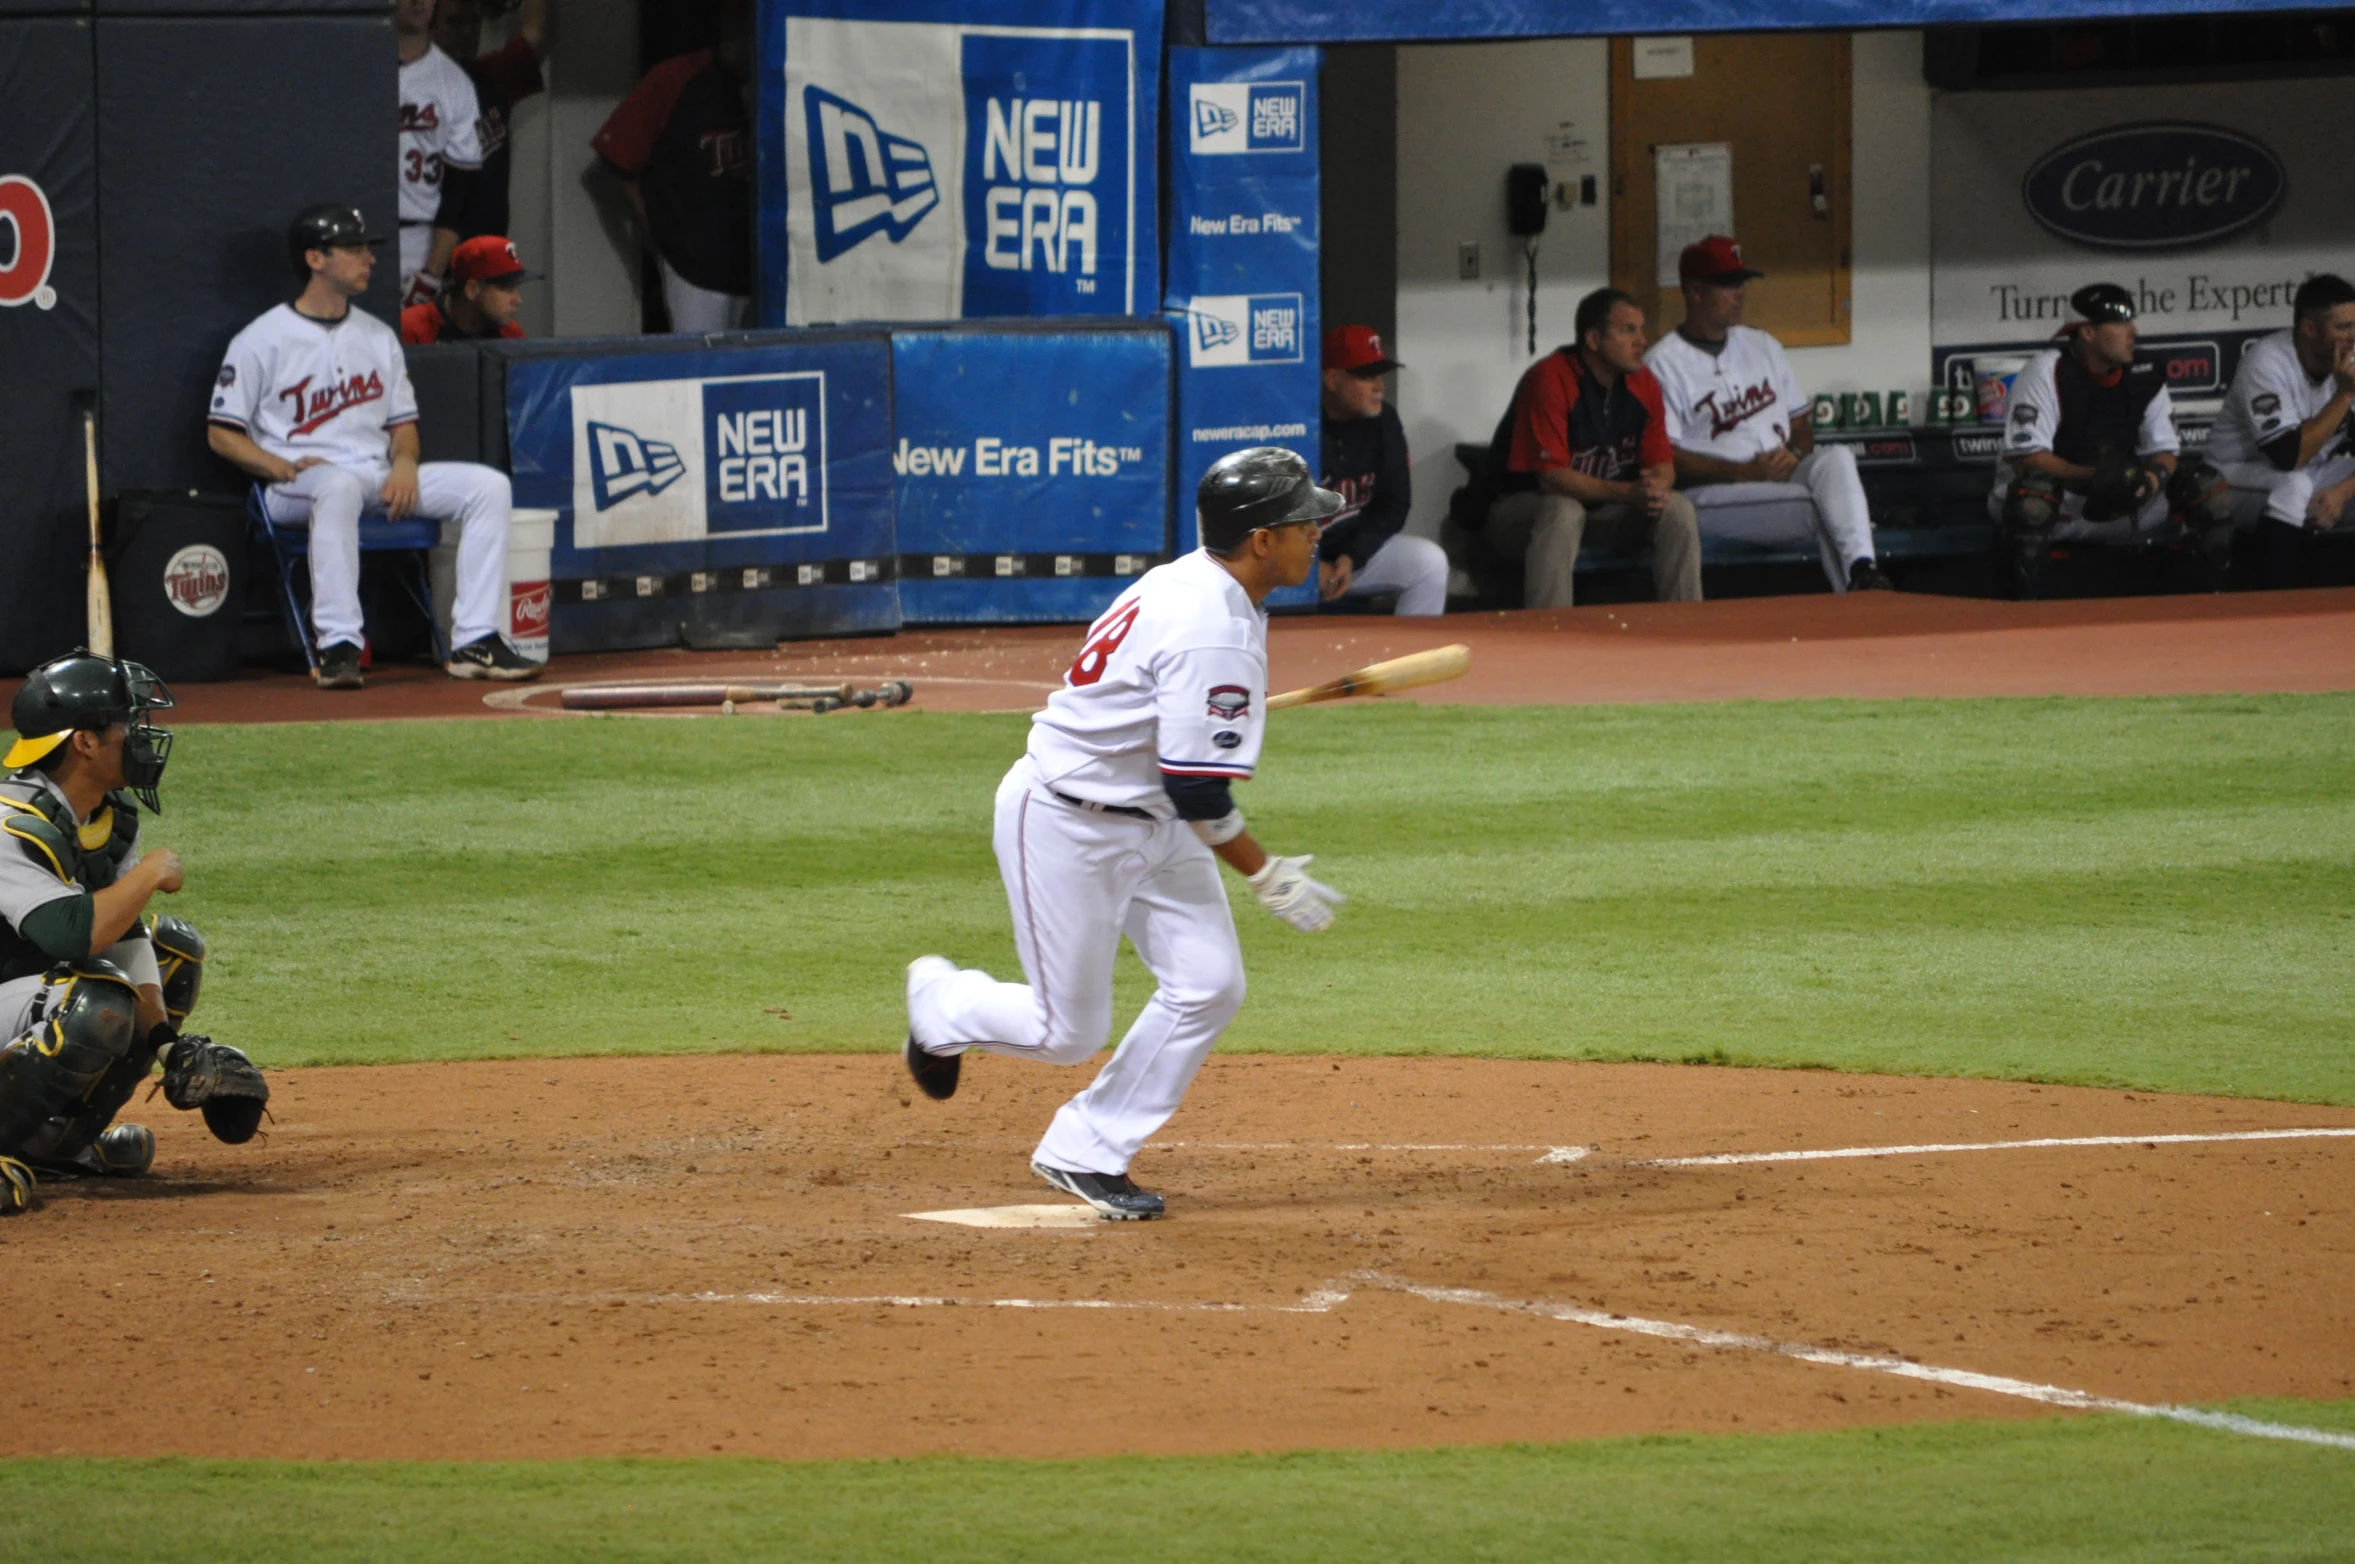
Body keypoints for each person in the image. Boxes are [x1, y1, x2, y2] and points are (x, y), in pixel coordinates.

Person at [902, 447, 1347, 1221]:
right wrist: (1264, 873)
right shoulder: (1211, 629)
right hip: (1071, 822)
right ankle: (941, 1005)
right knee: (1065, 1031)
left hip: (1150, 817)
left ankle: (1084, 1148)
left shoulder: (1195, 581)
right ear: (1260, 540)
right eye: (1303, 521)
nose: (1318, 531)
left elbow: (1178, 759)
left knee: (1208, 982)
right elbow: (1199, 792)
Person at [207, 205, 541, 689]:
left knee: (487, 486)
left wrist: (405, 464)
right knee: (338, 486)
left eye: (367, 249)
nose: (369, 258)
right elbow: (221, 433)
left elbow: (402, 425)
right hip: (296, 484)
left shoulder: (377, 335)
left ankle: (475, 640)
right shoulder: (261, 339)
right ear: (315, 259)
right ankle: (339, 644)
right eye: (354, 249)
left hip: (374, 474)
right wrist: (276, 464)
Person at [0, 652, 269, 1215]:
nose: (143, 736)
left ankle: (55, 1145)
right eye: (127, 724)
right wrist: (149, 873)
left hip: (15, 1000)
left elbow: (124, 940)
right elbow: (74, 935)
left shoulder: (105, 815)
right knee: (96, 1000)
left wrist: (167, 1048)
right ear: (85, 743)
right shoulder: (10, 824)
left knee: (173, 953)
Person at [1643, 237, 1892, 593]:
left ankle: (1863, 571)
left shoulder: (1762, 345)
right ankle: (1862, 598)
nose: (1740, 293)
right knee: (1824, 511)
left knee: (1837, 457)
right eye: (1728, 284)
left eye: (1742, 282)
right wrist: (1743, 471)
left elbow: (1800, 425)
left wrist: (1796, 454)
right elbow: (1667, 456)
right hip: (1714, 494)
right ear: (1695, 291)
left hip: (1781, 476)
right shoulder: (1662, 364)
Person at [1988, 283, 2232, 589]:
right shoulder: (2048, 370)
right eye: (2120, 323)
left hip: (2121, 500)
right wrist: (2097, 477)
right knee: (2034, 498)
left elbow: (2166, 451)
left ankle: (2208, 609)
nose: (2133, 332)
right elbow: (2028, 459)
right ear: (2087, 332)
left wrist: (2147, 482)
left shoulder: (2145, 372)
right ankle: (2027, 614)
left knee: (2209, 490)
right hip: (2060, 502)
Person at [1482, 287, 1702, 608]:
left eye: (1641, 329)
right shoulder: (1550, 378)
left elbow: (1661, 463)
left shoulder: (1644, 383)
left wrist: (1656, 487)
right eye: (1628, 330)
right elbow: (1552, 479)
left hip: (1604, 513)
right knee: (1563, 510)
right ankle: (1551, 634)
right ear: (1594, 339)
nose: (1641, 340)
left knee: (1677, 508)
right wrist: (1629, 493)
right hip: (1522, 514)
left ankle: (1686, 626)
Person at [591, 2, 754, 333]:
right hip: (694, 269)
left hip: (759, 265)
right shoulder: (678, 77)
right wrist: (658, 242)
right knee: (700, 370)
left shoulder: (778, 84)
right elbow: (616, 159)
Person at [2207, 273, 2355, 589]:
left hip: (2308, 472)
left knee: (2306, 482)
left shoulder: (2350, 358)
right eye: (2343, 327)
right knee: (2294, 485)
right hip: (2232, 477)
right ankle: (2277, 602)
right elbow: (2288, 457)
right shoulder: (2267, 361)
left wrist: (2343, 491)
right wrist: (2344, 395)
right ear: (2310, 329)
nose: (2353, 336)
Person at [1316, 326, 1450, 615]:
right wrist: (1309, 564)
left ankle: (1414, 657)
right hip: (1296, 565)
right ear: (1332, 378)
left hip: (1351, 559)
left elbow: (1394, 504)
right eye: (1366, 376)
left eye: (1380, 375)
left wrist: (1353, 557)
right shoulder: (1298, 426)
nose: (1379, 386)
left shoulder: (1384, 421)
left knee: (1429, 562)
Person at [430, 0, 554, 246]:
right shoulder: (406, 92)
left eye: (473, 22)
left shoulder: (490, 76)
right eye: (454, 23)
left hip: (487, 256)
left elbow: (539, 33)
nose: (466, 32)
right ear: (428, 28)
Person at [396, 0, 486, 306]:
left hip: (420, 238)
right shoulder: (353, 71)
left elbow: (458, 192)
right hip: (357, 235)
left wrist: (432, 274)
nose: (419, 2)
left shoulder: (455, 82)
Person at [400, 234, 537, 344]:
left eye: (516, 288)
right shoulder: (411, 329)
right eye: (506, 288)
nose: (518, 300)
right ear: (472, 290)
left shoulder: (511, 334)